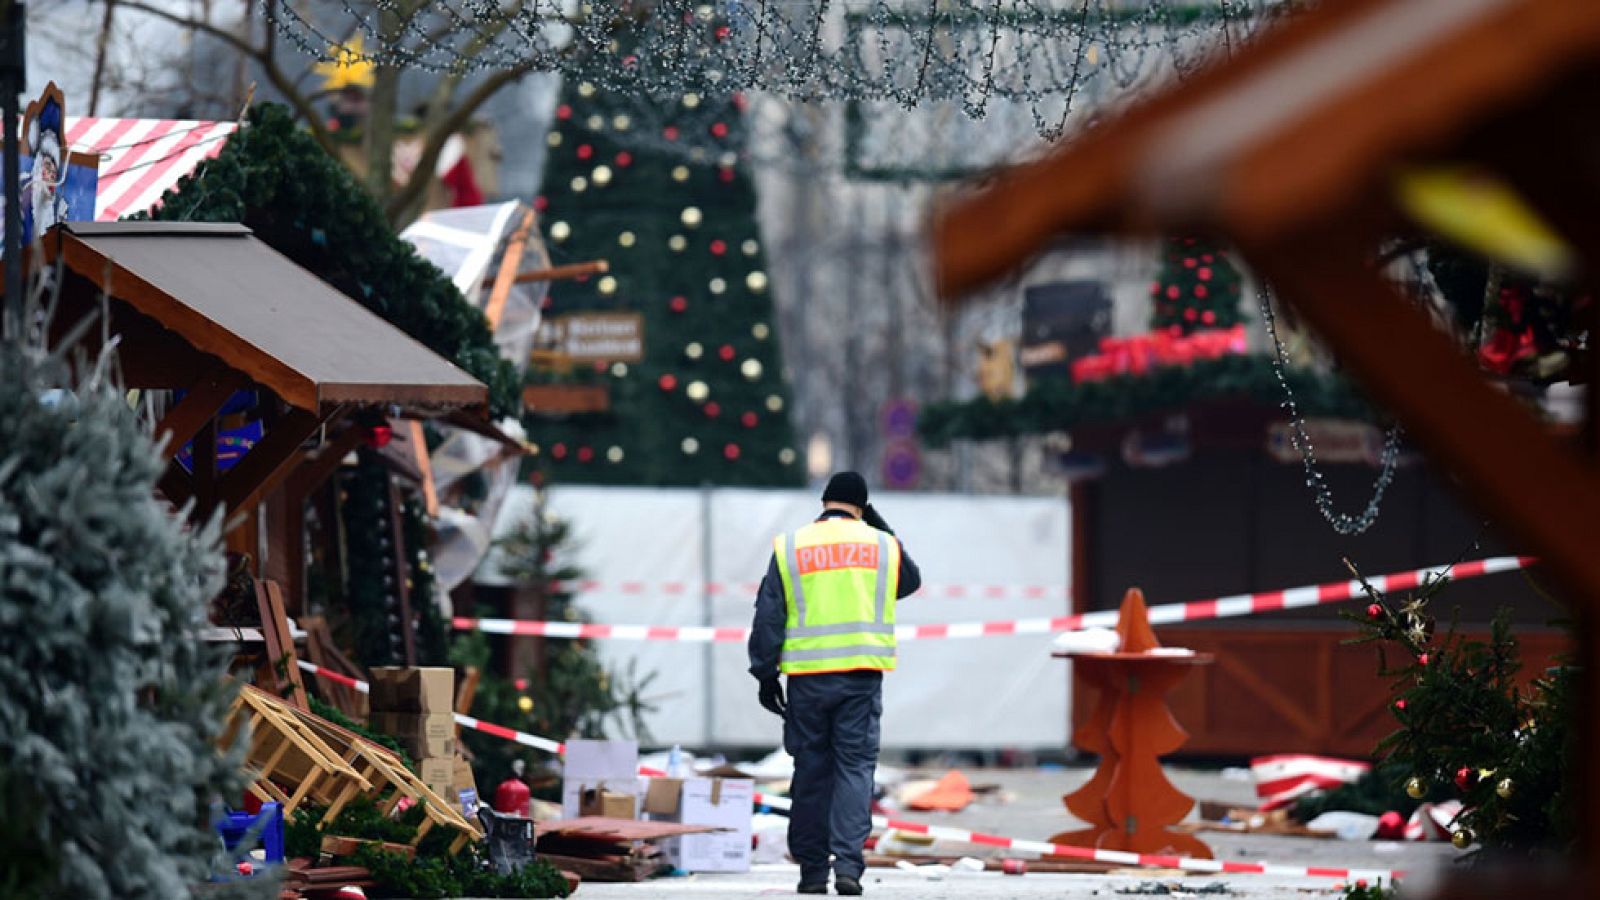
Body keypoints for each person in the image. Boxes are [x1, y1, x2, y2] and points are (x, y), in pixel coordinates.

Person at [749, 472, 921, 896]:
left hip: (807, 680)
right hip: (860, 677)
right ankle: (847, 866)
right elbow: (911, 580)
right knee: (854, 769)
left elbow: (768, 614)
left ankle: (811, 872)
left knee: (810, 771)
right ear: (863, 507)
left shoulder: (792, 546)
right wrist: (879, 524)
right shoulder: (882, 545)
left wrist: (765, 673)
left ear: (824, 502)